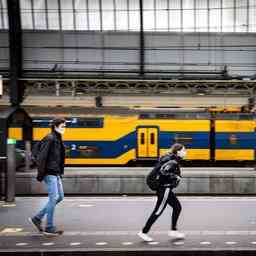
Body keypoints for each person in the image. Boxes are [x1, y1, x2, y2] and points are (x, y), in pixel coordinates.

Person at [138, 143, 186, 242]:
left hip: (166, 188)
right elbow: (163, 172)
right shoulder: (172, 161)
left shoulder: (172, 159)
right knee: (158, 211)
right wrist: (175, 177)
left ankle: (173, 230)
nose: (186, 152)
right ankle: (143, 232)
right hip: (164, 188)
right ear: (178, 152)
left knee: (177, 207)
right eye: (184, 150)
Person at [29, 118, 66, 236]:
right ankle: (49, 227)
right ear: (55, 126)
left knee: (60, 197)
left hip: (56, 172)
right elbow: (42, 157)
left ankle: (37, 218)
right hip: (49, 173)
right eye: (62, 126)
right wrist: (41, 173)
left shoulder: (57, 138)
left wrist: (59, 171)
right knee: (53, 198)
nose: (64, 128)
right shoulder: (50, 138)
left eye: (65, 126)